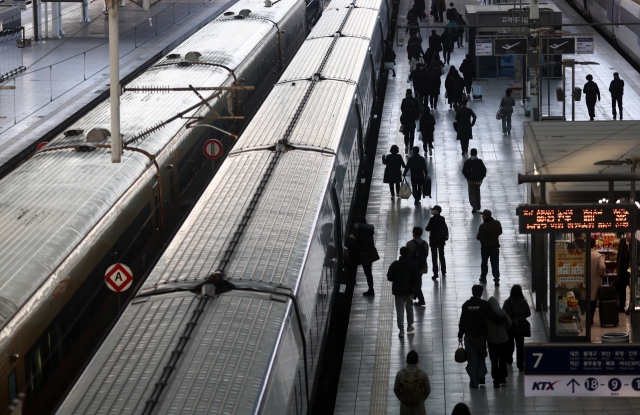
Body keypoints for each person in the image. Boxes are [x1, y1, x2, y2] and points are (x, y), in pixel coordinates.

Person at [458, 285, 505, 388]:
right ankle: (481, 378)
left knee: (471, 357)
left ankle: (473, 381)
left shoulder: (466, 305)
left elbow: (462, 321)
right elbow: (492, 316)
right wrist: (503, 320)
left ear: (472, 292)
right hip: (481, 336)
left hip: (469, 335)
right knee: (480, 355)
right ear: (481, 293)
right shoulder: (484, 304)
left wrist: (460, 334)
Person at [387, 247, 421, 337]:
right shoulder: (413, 265)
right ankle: (410, 326)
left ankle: (401, 330)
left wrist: (396, 279)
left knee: (399, 309)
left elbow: (389, 276)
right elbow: (417, 278)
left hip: (398, 290)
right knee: (409, 307)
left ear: (400, 253)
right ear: (409, 254)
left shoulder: (395, 264)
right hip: (409, 290)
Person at [502, 284, 531, 371]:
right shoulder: (524, 302)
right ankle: (520, 364)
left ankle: (509, 360)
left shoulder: (507, 302)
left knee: (510, 344)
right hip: (520, 326)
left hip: (510, 326)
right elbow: (528, 313)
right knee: (520, 346)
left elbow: (503, 314)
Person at [347, 216, 377, 296]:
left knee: (351, 263)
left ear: (359, 223)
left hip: (365, 254)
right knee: (368, 272)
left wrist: (352, 240)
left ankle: (352, 282)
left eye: (356, 222)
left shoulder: (361, 230)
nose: (355, 224)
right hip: (370, 253)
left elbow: (359, 243)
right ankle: (371, 289)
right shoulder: (368, 228)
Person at [486, 296, 512, 388]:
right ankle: (503, 378)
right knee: (503, 359)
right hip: (503, 340)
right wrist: (505, 330)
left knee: (494, 361)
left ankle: (496, 380)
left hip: (492, 341)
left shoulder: (487, 315)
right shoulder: (502, 312)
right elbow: (510, 322)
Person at [477, 209, 502, 285]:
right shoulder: (497, 223)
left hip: (485, 248)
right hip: (495, 247)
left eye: (483, 215)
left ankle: (483, 277)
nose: (482, 217)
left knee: (484, 263)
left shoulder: (483, 226)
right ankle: (496, 279)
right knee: (495, 263)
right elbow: (500, 232)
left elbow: (479, 237)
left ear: (486, 216)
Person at [406, 227, 429, 306]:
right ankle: (415, 295)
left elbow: (407, 256)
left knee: (415, 283)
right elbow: (426, 254)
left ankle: (421, 299)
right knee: (418, 281)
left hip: (412, 266)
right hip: (422, 266)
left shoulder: (409, 244)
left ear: (414, 233)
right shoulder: (425, 243)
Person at [425, 205, 447, 279]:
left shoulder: (432, 219)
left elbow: (427, 228)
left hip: (434, 240)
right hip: (441, 240)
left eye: (434, 210)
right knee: (441, 256)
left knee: (434, 257)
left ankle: (435, 273)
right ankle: (443, 271)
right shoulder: (442, 218)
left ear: (437, 211)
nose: (433, 211)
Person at [462, 148, 486, 213]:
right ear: (476, 153)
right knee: (477, 192)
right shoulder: (479, 161)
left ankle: (474, 207)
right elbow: (484, 170)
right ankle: (478, 205)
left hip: (471, 180)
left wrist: (467, 177)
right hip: (478, 180)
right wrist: (481, 178)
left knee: (471, 194)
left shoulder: (467, 162)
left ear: (470, 153)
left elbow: (464, 171)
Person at [589, 238, 606, 325]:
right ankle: (591, 316)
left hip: (585, 280)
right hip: (595, 280)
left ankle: (587, 315)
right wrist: (603, 274)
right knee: (593, 299)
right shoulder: (598, 255)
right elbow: (602, 267)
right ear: (594, 245)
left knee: (586, 299)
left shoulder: (582, 254)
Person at [616, 232, 633, 313]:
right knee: (621, 288)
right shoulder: (622, 241)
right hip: (622, 270)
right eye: (628, 233)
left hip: (631, 271)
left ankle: (631, 307)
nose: (628, 234)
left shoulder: (636, 243)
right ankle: (621, 306)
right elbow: (619, 255)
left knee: (631, 289)